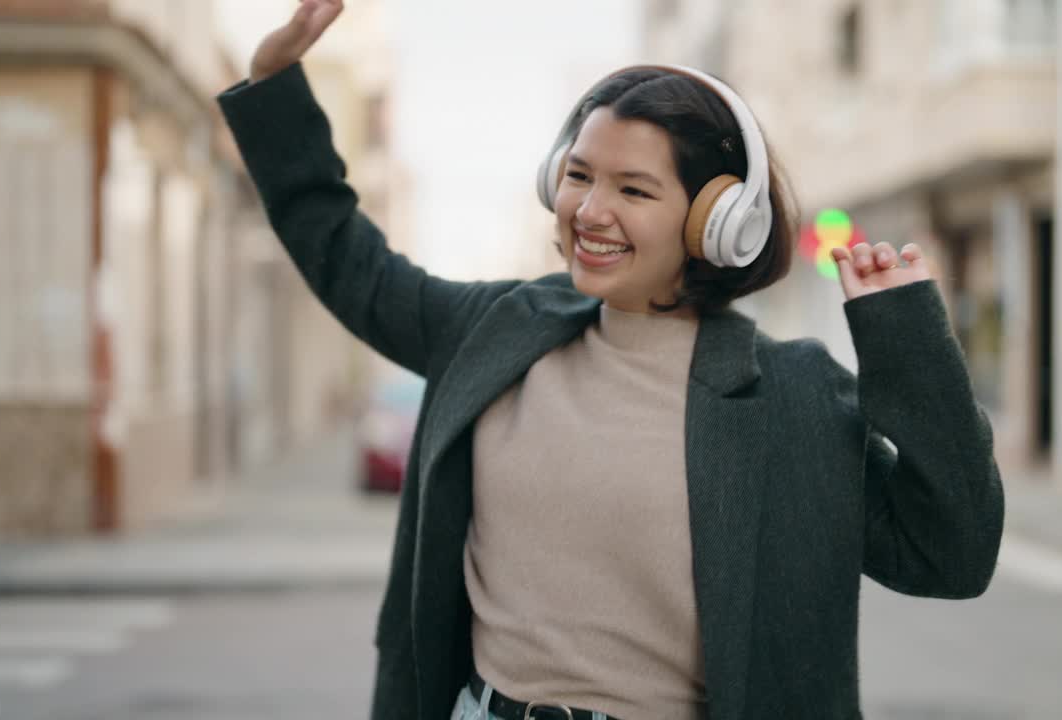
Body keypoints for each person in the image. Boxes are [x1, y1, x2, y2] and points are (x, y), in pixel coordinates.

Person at [216, 2, 1004, 719]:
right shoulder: (494, 329)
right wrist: (275, 87)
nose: (590, 211)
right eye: (580, 176)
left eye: (633, 189)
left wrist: (907, 338)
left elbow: (953, 553)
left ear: (717, 222)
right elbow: (345, 259)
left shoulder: (792, 399)